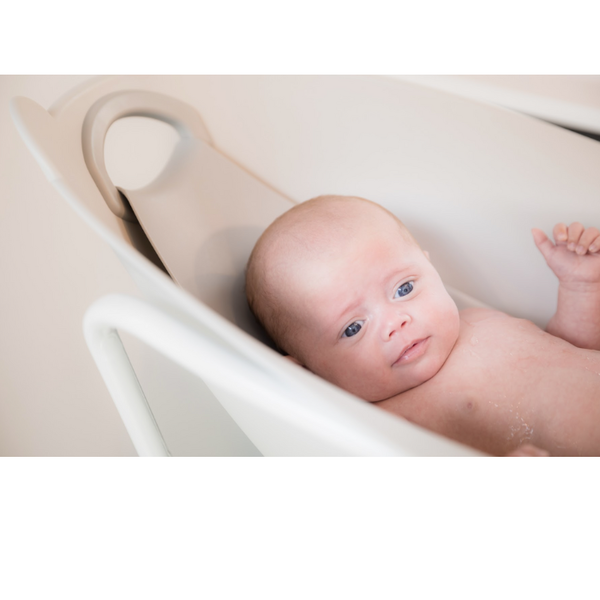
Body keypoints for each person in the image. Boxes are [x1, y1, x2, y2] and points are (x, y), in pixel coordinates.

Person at [245, 195, 600, 456]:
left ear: (430, 268)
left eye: (404, 289)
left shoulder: (478, 320)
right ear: (311, 372)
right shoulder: (391, 422)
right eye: (353, 328)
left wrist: (581, 288)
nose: (395, 322)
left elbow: (569, 351)